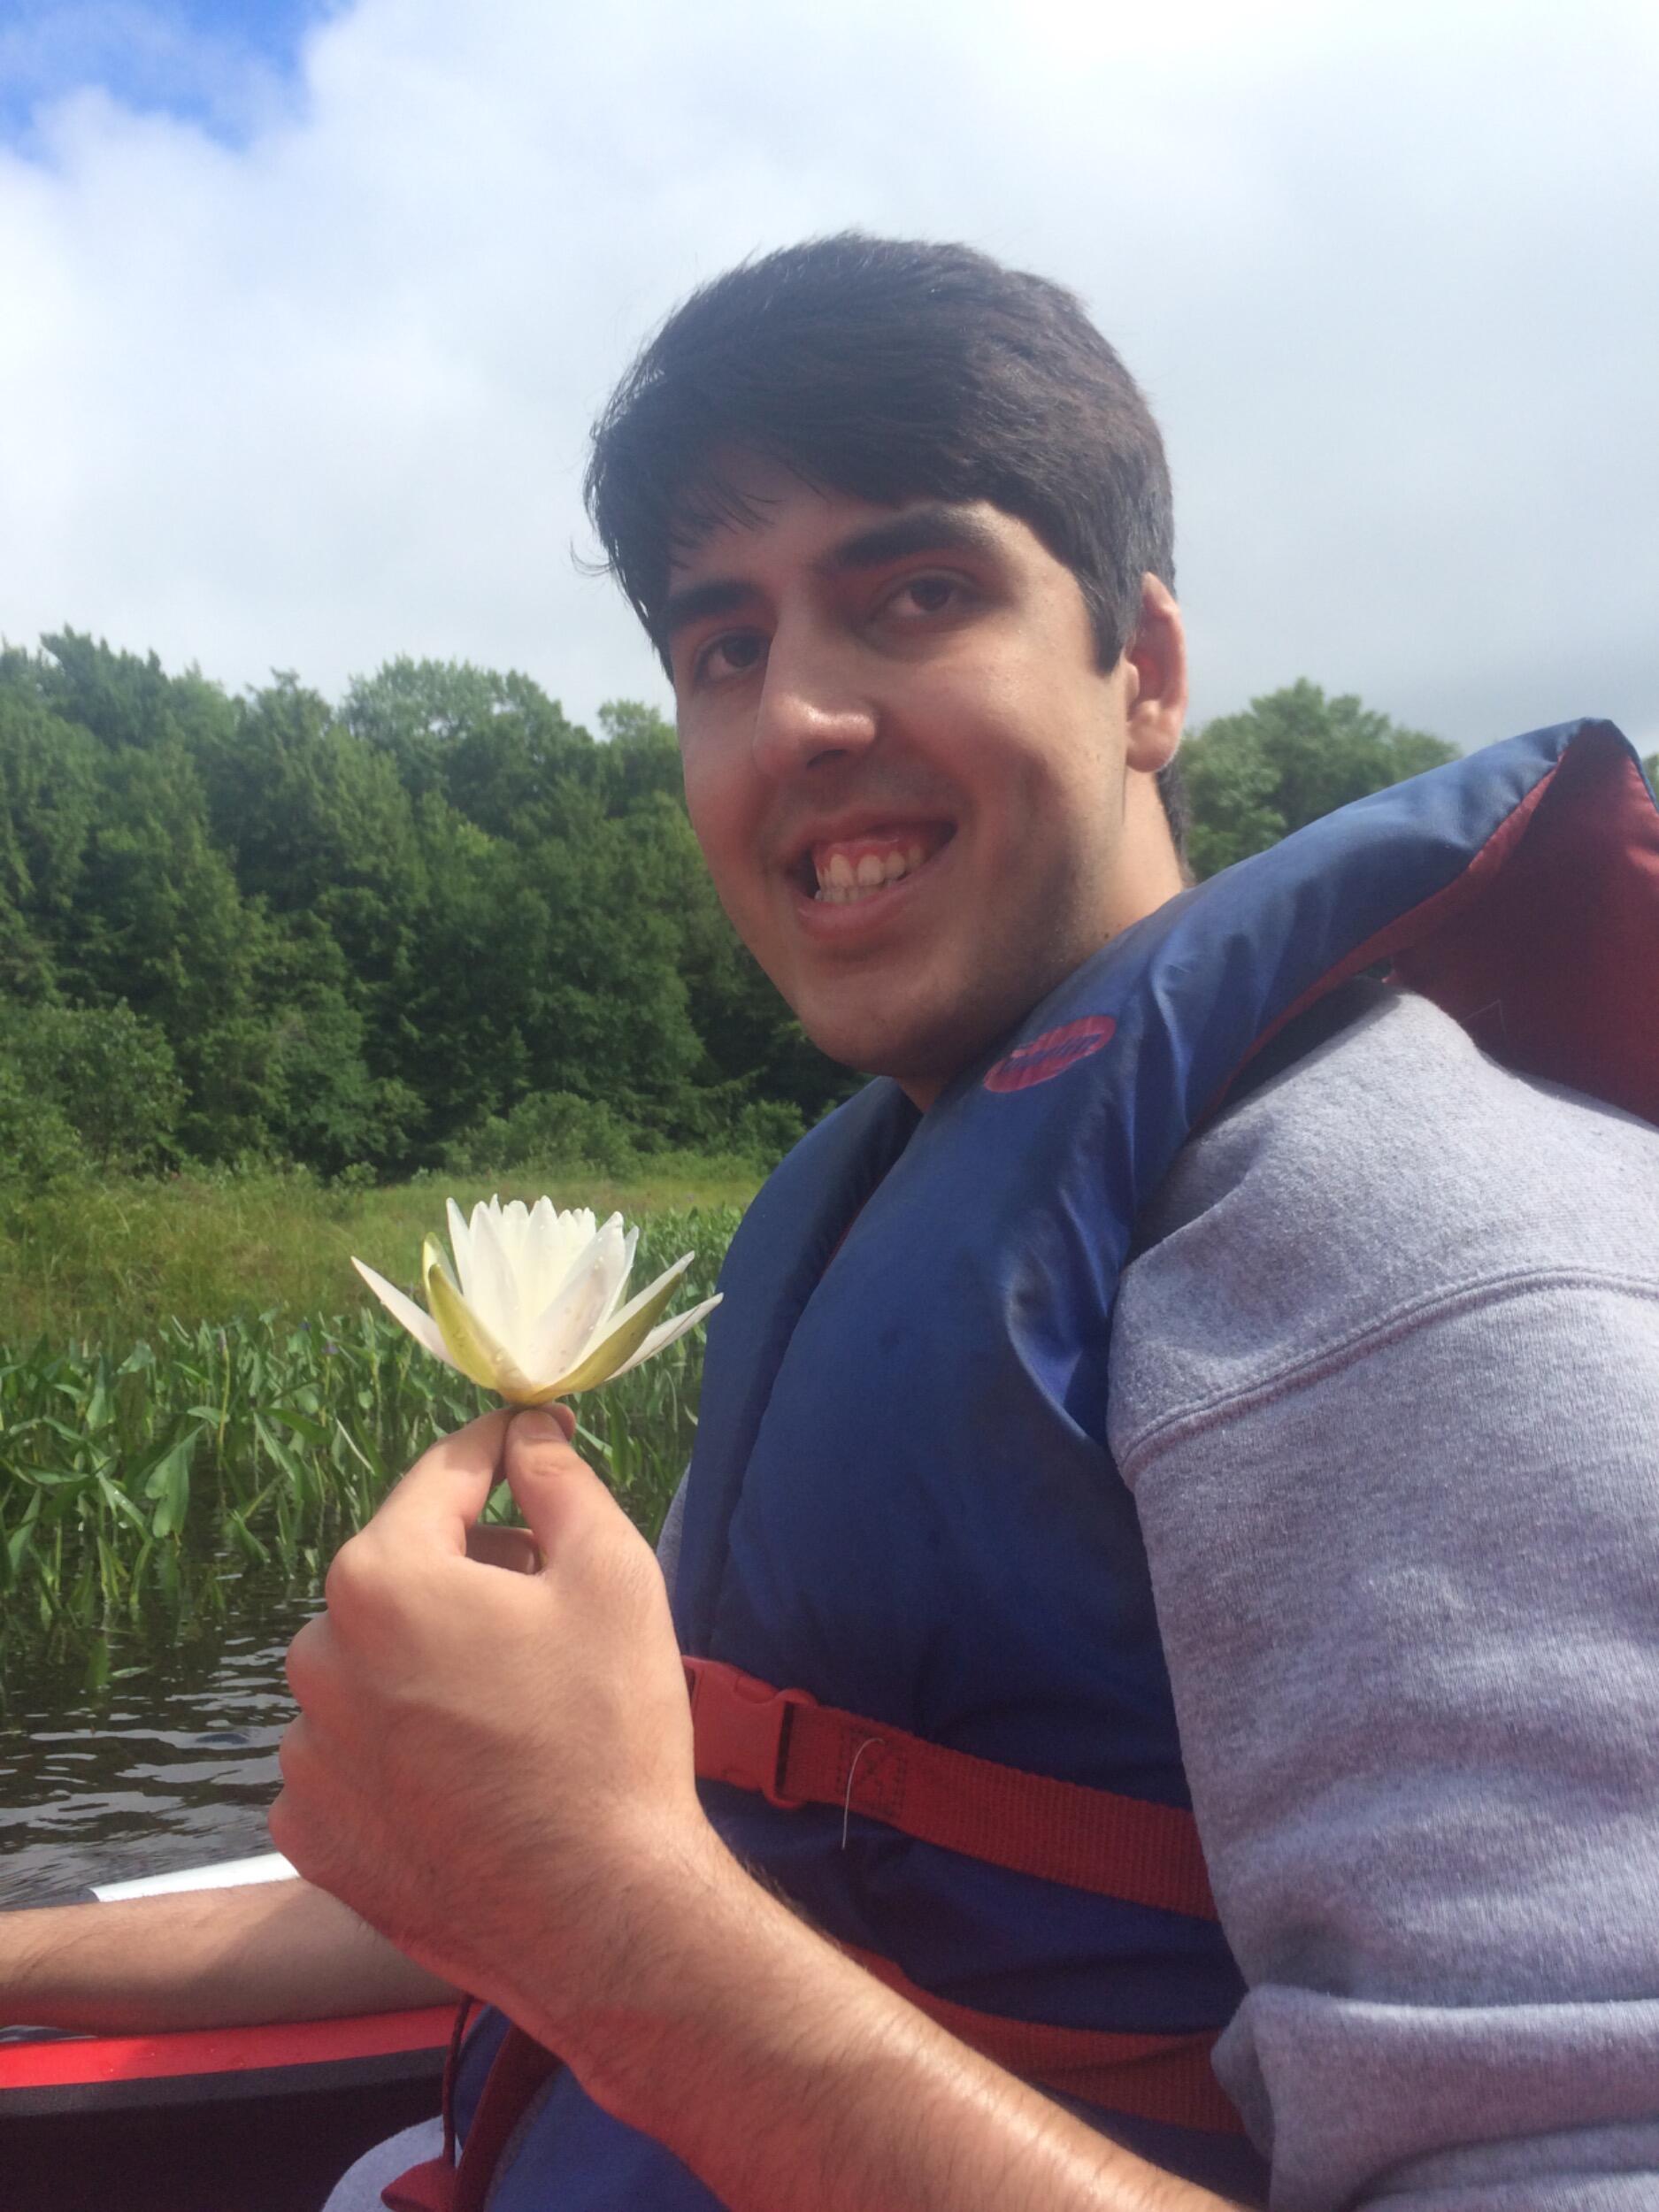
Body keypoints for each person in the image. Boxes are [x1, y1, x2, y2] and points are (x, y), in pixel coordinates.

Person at [5, 235, 1658, 2212]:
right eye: (721, 646)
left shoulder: (1391, 1244)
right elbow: (587, 1863)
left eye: (915, 593)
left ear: (1141, 672)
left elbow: (610, 1900)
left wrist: (611, 1924)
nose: (792, 713)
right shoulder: (867, 1200)